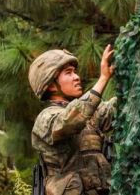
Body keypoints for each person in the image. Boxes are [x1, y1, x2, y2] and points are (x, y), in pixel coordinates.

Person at [29, 45, 116, 195]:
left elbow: (116, 109)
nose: (76, 77)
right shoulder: (46, 119)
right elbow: (70, 121)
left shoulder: (90, 114)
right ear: (50, 85)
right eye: (68, 73)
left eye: (75, 72)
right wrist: (103, 79)